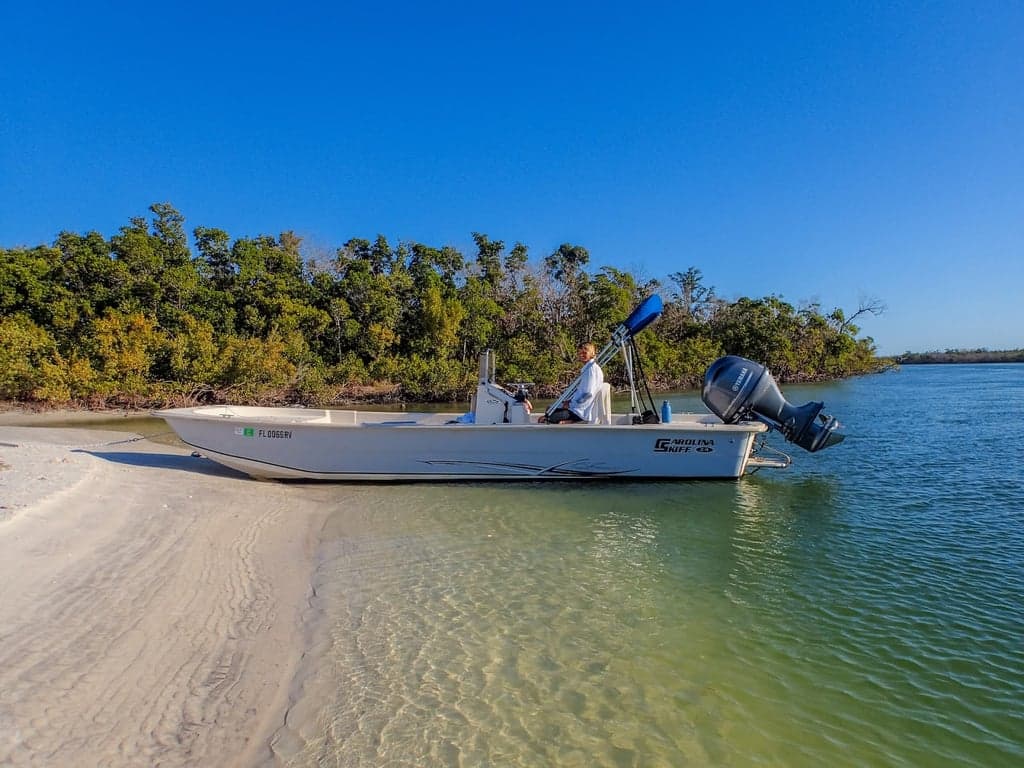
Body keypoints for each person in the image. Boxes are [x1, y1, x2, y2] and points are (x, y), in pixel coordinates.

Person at [541, 342, 604, 424]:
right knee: (549, 409)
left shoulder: (591, 369)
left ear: (592, 353)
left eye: (585, 353)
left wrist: (570, 404)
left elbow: (588, 394)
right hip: (579, 408)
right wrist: (569, 401)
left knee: (548, 417)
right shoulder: (590, 368)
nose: (581, 355)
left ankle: (573, 420)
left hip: (580, 411)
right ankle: (570, 420)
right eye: (580, 353)